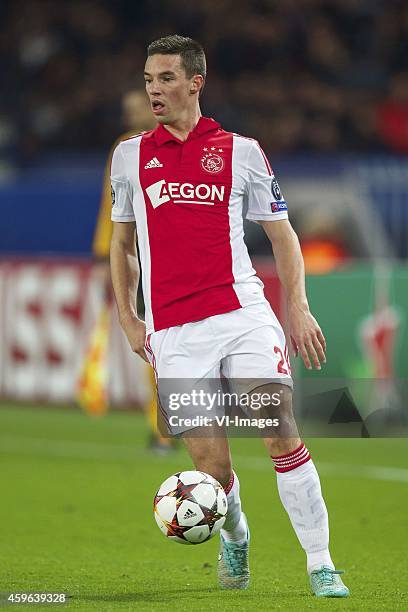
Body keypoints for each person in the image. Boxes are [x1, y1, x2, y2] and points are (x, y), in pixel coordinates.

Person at [109, 35, 349, 598]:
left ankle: (321, 562)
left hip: (242, 314)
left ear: (196, 81)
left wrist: (298, 307)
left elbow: (284, 236)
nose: (154, 90)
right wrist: (128, 316)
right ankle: (236, 534)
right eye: (148, 79)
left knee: (279, 431)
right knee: (211, 472)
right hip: (173, 330)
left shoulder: (243, 151)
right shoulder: (128, 156)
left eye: (166, 78)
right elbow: (122, 245)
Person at [91, 89, 172, 451]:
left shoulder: (179, 140)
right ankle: (162, 428)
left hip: (174, 260)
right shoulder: (124, 149)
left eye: (137, 106)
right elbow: (110, 211)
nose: (132, 113)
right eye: (127, 109)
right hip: (140, 263)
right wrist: (102, 257)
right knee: (154, 346)